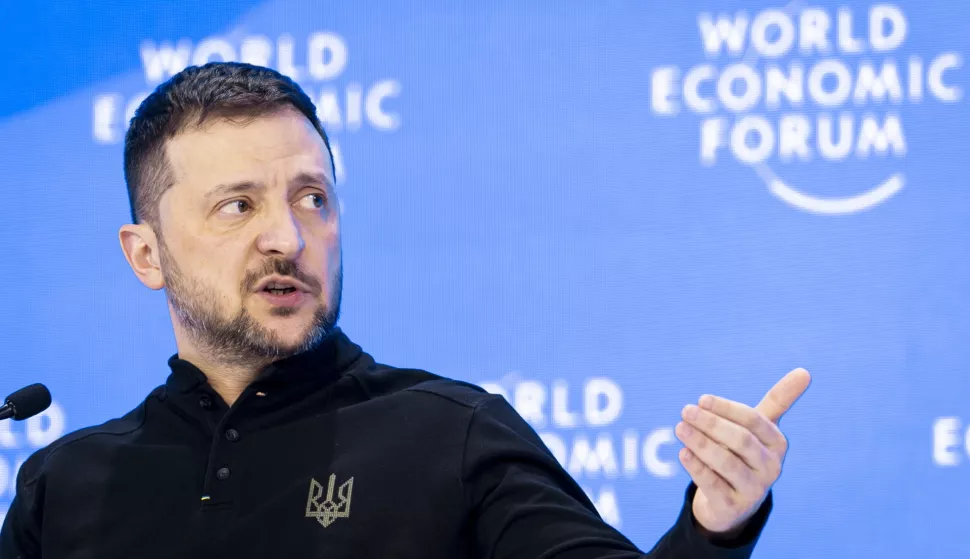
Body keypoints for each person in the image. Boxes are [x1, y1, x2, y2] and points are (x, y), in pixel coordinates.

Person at [0, 62, 810, 558]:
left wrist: (713, 527)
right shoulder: (63, 486)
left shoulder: (452, 433)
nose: (287, 236)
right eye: (237, 206)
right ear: (146, 254)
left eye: (311, 197)